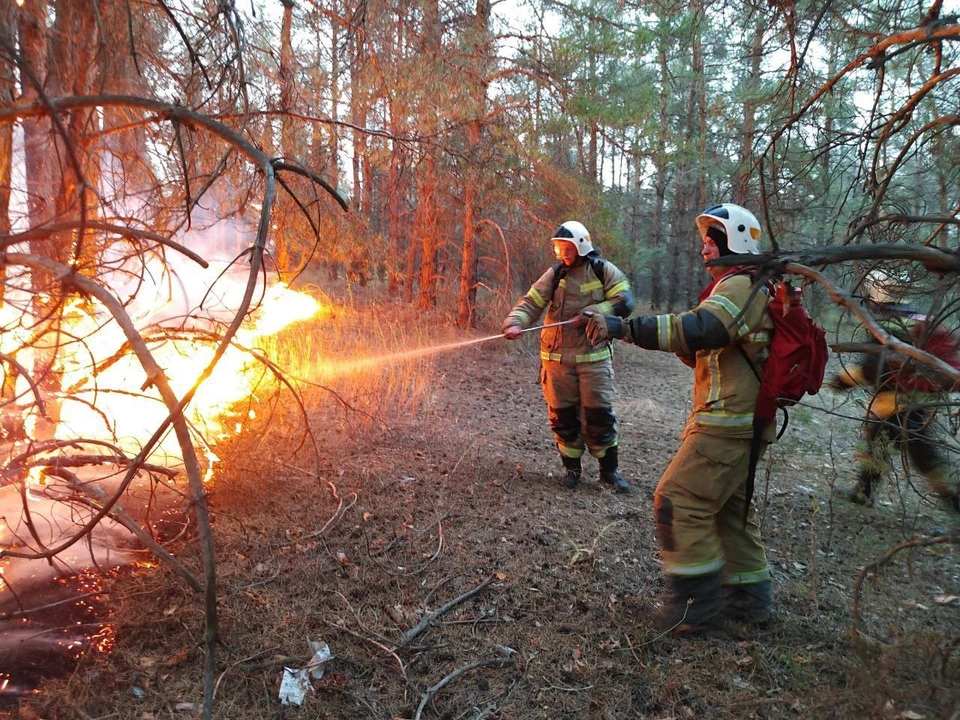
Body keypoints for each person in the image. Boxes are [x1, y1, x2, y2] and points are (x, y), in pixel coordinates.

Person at [585, 203, 776, 632]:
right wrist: (678, 340)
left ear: (738, 240)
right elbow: (705, 344)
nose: (705, 246)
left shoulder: (741, 287)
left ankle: (696, 607)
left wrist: (624, 328)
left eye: (715, 237)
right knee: (728, 512)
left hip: (728, 422)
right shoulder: (748, 288)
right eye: (706, 238)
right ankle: (748, 603)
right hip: (743, 422)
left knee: (678, 499)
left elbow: (704, 328)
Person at [502, 220, 635, 492]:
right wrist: (514, 322)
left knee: (599, 418)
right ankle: (572, 470)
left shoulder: (602, 270)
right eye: (560, 248)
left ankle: (609, 473)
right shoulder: (555, 274)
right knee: (563, 419)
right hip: (557, 361)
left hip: (594, 359)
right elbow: (531, 302)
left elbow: (625, 302)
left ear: (581, 246)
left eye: (568, 247)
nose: (564, 253)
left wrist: (593, 311)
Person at [831, 270, 959, 514]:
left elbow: (873, 368)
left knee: (925, 460)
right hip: (914, 404)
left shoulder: (886, 323)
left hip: (898, 405)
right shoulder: (914, 318)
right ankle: (863, 491)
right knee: (875, 445)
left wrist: (841, 381)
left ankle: (956, 503)